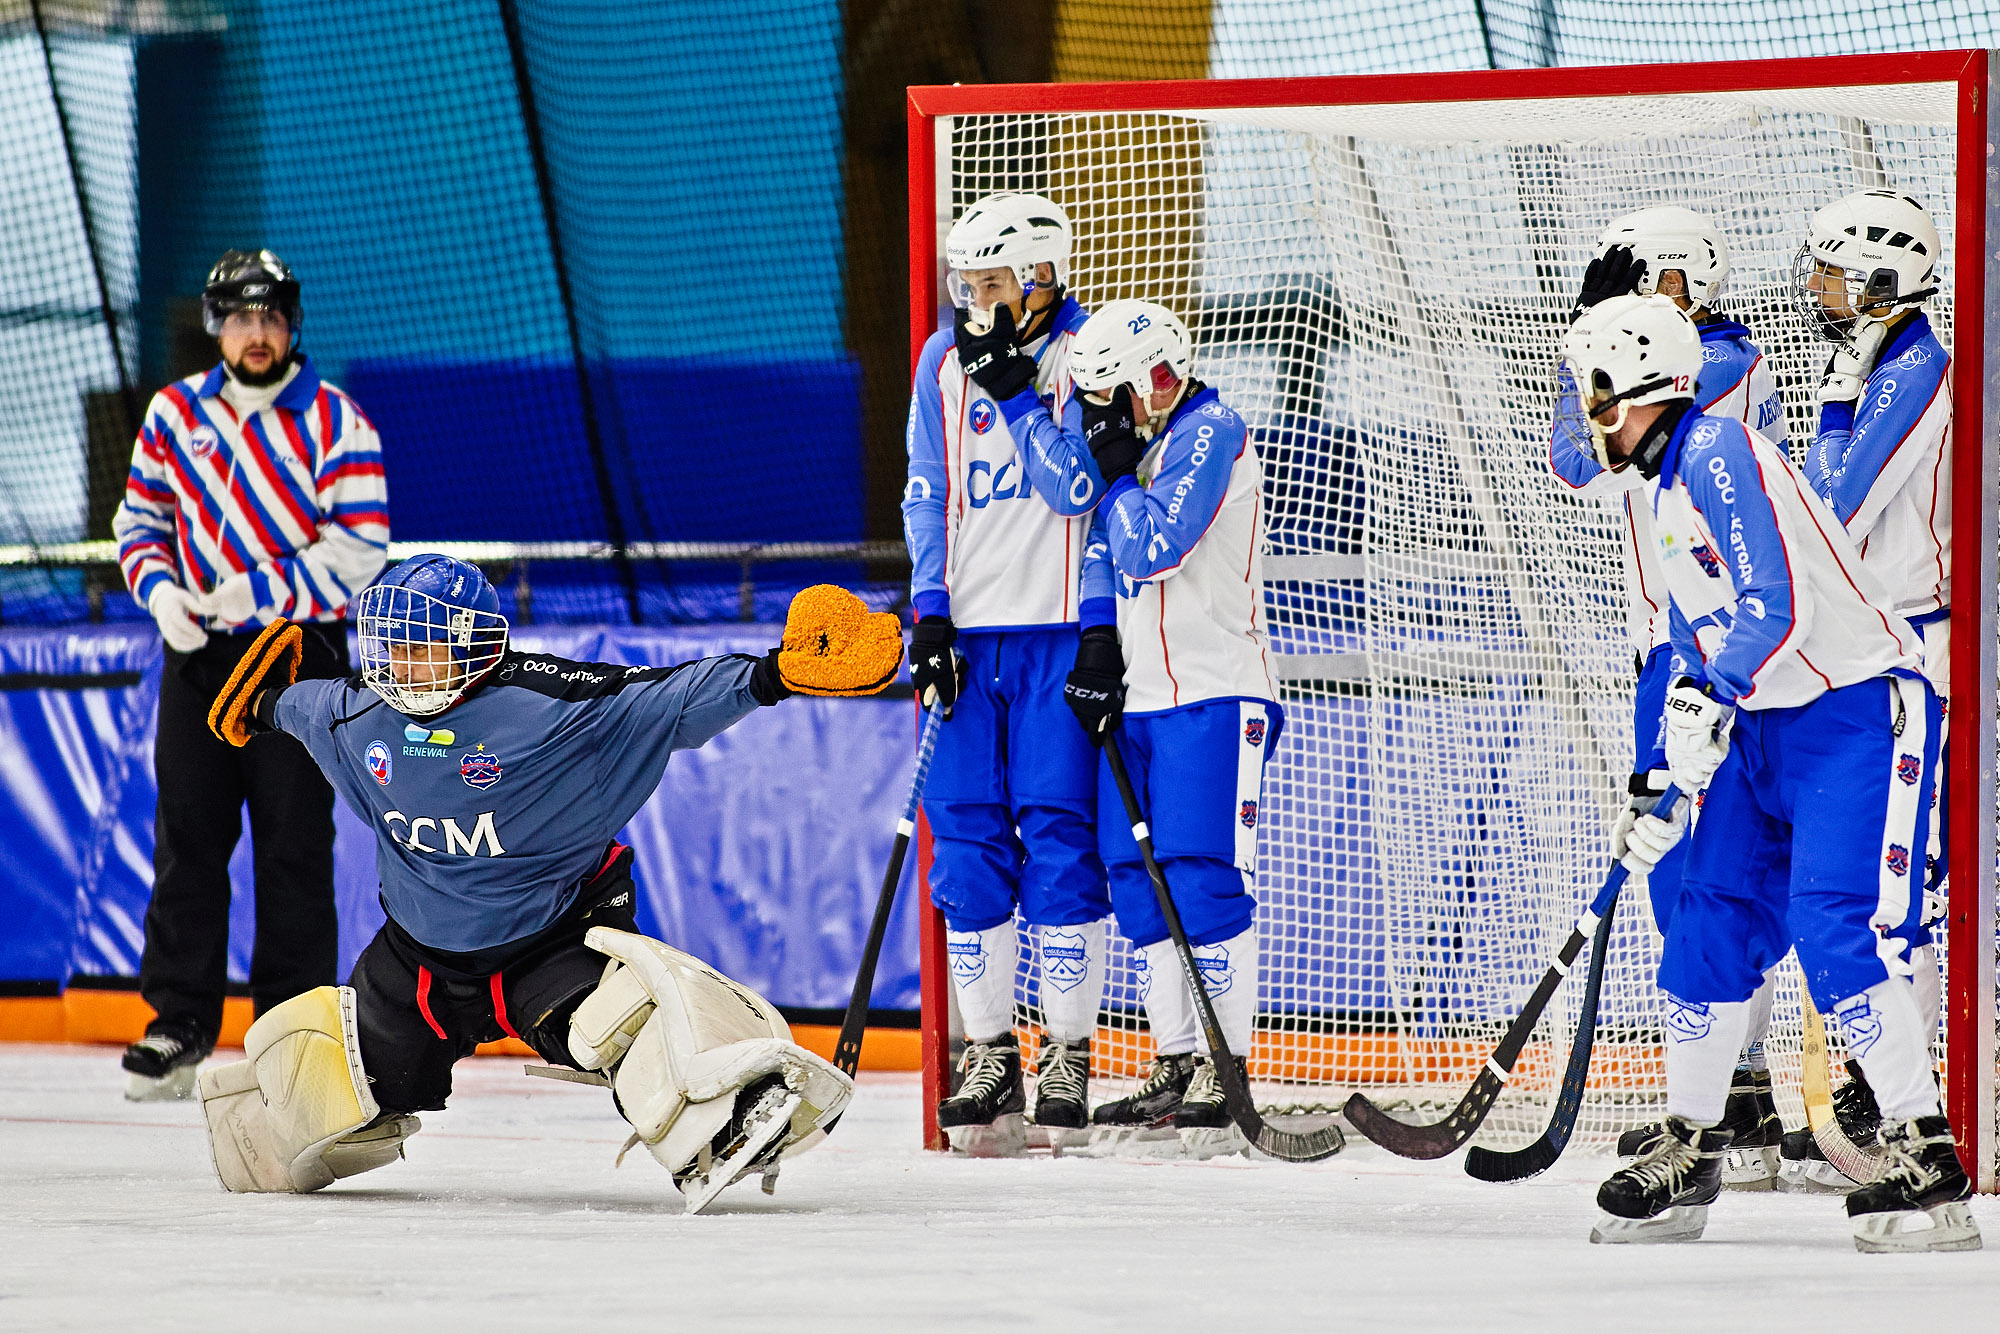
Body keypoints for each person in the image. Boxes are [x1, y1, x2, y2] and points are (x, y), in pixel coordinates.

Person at [193, 557, 901, 1212]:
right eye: (390, 644)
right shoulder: (356, 715)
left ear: (474, 646)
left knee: (624, 1020)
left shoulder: (555, 709)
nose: (397, 664)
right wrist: (259, 704)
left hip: (553, 939)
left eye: (419, 643)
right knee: (325, 1093)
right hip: (417, 961)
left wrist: (772, 675)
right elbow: (293, 705)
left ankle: (733, 1113)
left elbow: (673, 698)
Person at [1563, 295, 1975, 1253]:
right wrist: (1665, 773)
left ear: (1646, 385)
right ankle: (1696, 1139)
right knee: (1707, 913)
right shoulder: (1664, 484)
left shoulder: (1718, 450)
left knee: (1833, 925)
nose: (1592, 419)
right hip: (1761, 727)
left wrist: (1714, 696)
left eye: (1600, 396)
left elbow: (1773, 604)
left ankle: (1924, 1153)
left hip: (1851, 712)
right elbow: (1694, 632)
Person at [109, 249, 389, 1099]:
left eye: (270, 316)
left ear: (291, 322)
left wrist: (248, 595)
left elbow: (357, 555)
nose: (256, 333)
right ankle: (179, 1023)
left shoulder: (339, 421)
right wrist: (160, 596)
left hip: (297, 664)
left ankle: (289, 1031)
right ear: (215, 324)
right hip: (196, 657)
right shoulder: (174, 412)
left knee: (293, 846)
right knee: (187, 839)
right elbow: (139, 521)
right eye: (240, 316)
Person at [1549, 206, 1789, 1185]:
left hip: (1725, 656)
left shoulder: (1722, 367)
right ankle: (1730, 1088)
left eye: (1645, 286)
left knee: (1722, 876)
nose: (1631, 309)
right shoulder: (1647, 382)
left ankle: (1744, 1090)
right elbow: (1573, 464)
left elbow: (1576, 461)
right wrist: (1583, 355)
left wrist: (1596, 357)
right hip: (1666, 652)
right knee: (1673, 876)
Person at [903, 191, 1114, 1151]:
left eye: (989, 285)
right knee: (966, 838)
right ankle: (989, 1050)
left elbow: (1079, 492)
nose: (971, 303)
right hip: (969, 643)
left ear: (1039, 279)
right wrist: (930, 612)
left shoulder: (1089, 354)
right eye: (963, 284)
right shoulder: (939, 362)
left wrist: (1020, 391)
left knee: (1059, 835)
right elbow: (927, 491)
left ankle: (1068, 1052)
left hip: (1060, 631)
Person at [1063, 300, 1278, 1159]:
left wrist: (1116, 478)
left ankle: (1226, 1069)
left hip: (1216, 692)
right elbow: (1097, 554)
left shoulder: (1210, 430)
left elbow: (1153, 547)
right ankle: (1177, 1057)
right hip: (1144, 694)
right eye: (1095, 402)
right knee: (1135, 878)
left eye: (1116, 394)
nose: (1108, 416)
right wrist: (1093, 642)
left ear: (1160, 373)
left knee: (1200, 875)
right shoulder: (1137, 445)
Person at [1788, 188, 1953, 1186]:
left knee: (1900, 884)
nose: (1814, 288)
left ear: (1883, 279)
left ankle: (1906, 1102)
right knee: (1900, 880)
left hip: (1911, 651)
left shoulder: (1909, 368)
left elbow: (1828, 514)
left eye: (1832, 270)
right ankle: (1893, 1084)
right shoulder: (1865, 360)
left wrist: (1837, 400)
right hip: (1880, 646)